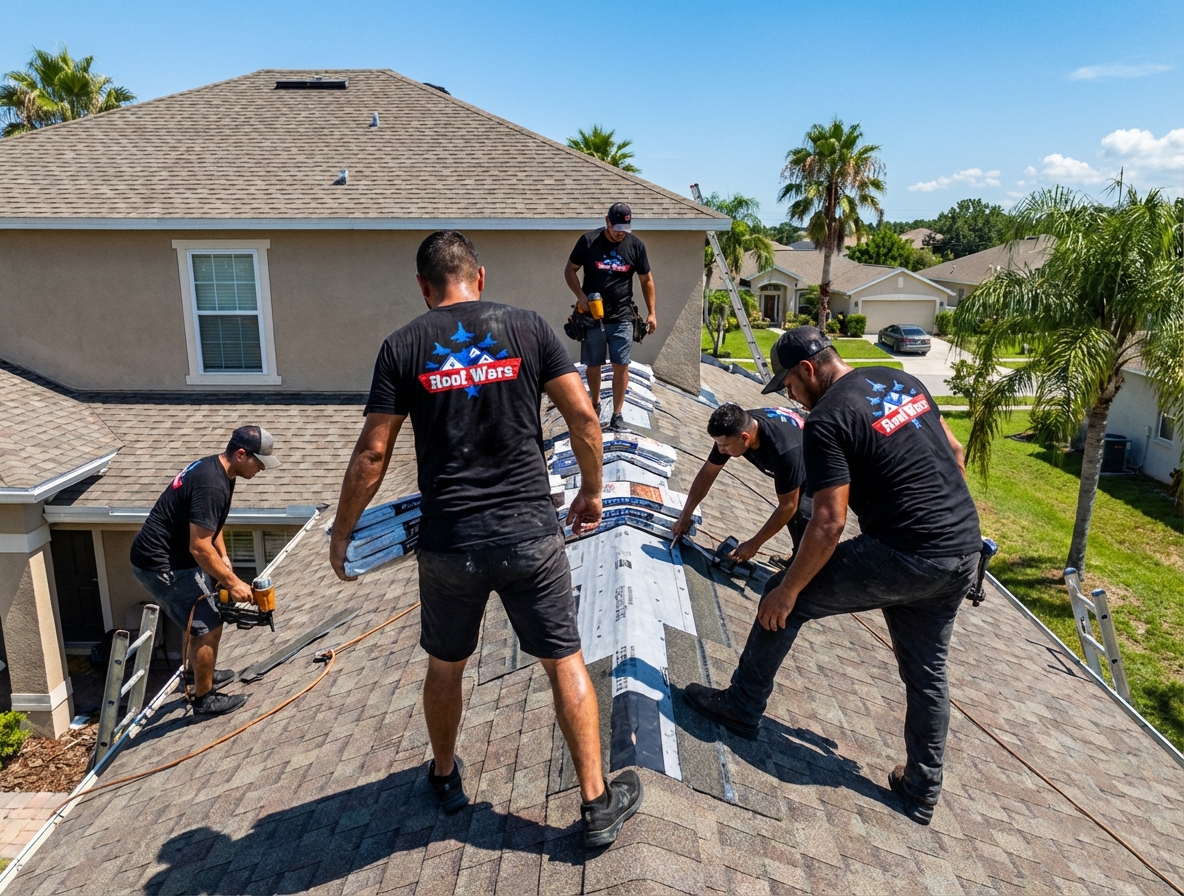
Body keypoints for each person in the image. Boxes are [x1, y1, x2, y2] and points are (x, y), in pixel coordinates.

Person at [331, 231, 643, 848]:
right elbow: (583, 415)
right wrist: (592, 490)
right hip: (529, 532)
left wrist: (343, 535)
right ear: (481, 276)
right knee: (564, 660)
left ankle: (445, 779)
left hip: (450, 542)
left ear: (424, 287)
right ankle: (596, 802)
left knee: (446, 665)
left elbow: (373, 450)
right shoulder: (527, 328)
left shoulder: (403, 346)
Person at [683, 327, 982, 826]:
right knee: (927, 674)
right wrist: (940, 517)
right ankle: (921, 789)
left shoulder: (826, 420)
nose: (791, 398)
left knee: (782, 603)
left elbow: (828, 522)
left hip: (905, 550)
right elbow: (955, 454)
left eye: (789, 387)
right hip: (961, 550)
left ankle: (740, 706)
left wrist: (788, 590)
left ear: (807, 369)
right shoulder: (898, 379)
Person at [130, 426, 280, 716]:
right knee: (208, 623)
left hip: (175, 558)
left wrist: (223, 556)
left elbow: (212, 521)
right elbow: (199, 547)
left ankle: (195, 674)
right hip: (161, 565)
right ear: (240, 454)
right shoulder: (212, 482)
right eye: (259, 462)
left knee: (199, 616)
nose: (261, 469)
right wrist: (233, 582)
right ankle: (204, 699)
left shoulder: (221, 471)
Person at [670, 403, 811, 563]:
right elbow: (708, 473)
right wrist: (685, 515)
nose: (720, 450)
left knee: (805, 518)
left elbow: (788, 506)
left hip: (817, 457)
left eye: (724, 445)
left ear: (745, 438)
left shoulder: (784, 453)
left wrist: (754, 543)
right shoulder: (737, 428)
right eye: (718, 444)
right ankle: (800, 556)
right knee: (794, 509)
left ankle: (808, 570)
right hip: (794, 437)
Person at [564, 202, 657, 430]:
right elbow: (570, 270)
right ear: (607, 221)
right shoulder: (588, 241)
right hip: (593, 317)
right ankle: (594, 406)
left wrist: (652, 312)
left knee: (621, 365)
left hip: (623, 316)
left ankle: (617, 414)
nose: (619, 233)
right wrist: (581, 296)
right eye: (616, 228)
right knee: (593, 365)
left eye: (624, 229)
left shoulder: (636, 246)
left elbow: (646, 280)